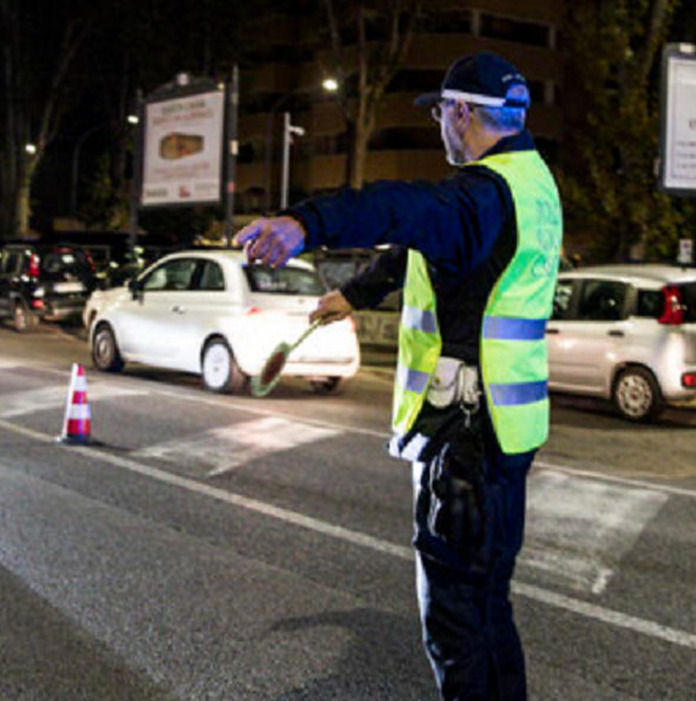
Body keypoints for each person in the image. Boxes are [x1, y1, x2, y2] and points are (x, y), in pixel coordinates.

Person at [237, 51, 561, 701]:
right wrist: (354, 295)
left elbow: (401, 210)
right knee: (489, 604)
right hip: (507, 431)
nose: (440, 122)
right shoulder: (532, 182)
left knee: (456, 619)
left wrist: (305, 223)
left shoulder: (478, 195)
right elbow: (419, 245)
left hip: (464, 436)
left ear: (463, 113)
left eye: (443, 110)